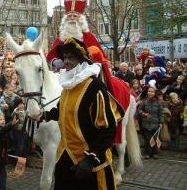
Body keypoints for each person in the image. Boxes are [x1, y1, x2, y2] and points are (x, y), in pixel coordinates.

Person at [43, 37, 124, 190]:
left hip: (88, 163)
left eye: (71, 57)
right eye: (65, 57)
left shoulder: (95, 87)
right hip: (65, 157)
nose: (66, 61)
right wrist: (43, 115)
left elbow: (108, 129)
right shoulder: (68, 86)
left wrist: (91, 158)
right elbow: (62, 111)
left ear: (82, 61)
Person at [137, 86, 163, 159]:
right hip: (146, 124)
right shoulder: (144, 102)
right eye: (149, 91)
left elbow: (161, 114)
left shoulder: (158, 103)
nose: (150, 93)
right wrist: (143, 114)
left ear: (155, 93)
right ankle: (148, 153)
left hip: (156, 124)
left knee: (155, 139)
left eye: (152, 91)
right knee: (147, 139)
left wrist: (161, 122)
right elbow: (139, 110)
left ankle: (155, 153)